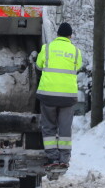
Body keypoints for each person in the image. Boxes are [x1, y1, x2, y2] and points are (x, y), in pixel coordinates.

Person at [35, 22, 83, 169]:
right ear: (70, 36)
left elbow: (38, 66)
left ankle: (52, 158)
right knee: (65, 128)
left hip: (48, 95)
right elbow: (78, 67)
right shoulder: (75, 51)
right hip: (67, 97)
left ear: (57, 34)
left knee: (49, 126)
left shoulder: (47, 48)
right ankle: (64, 159)